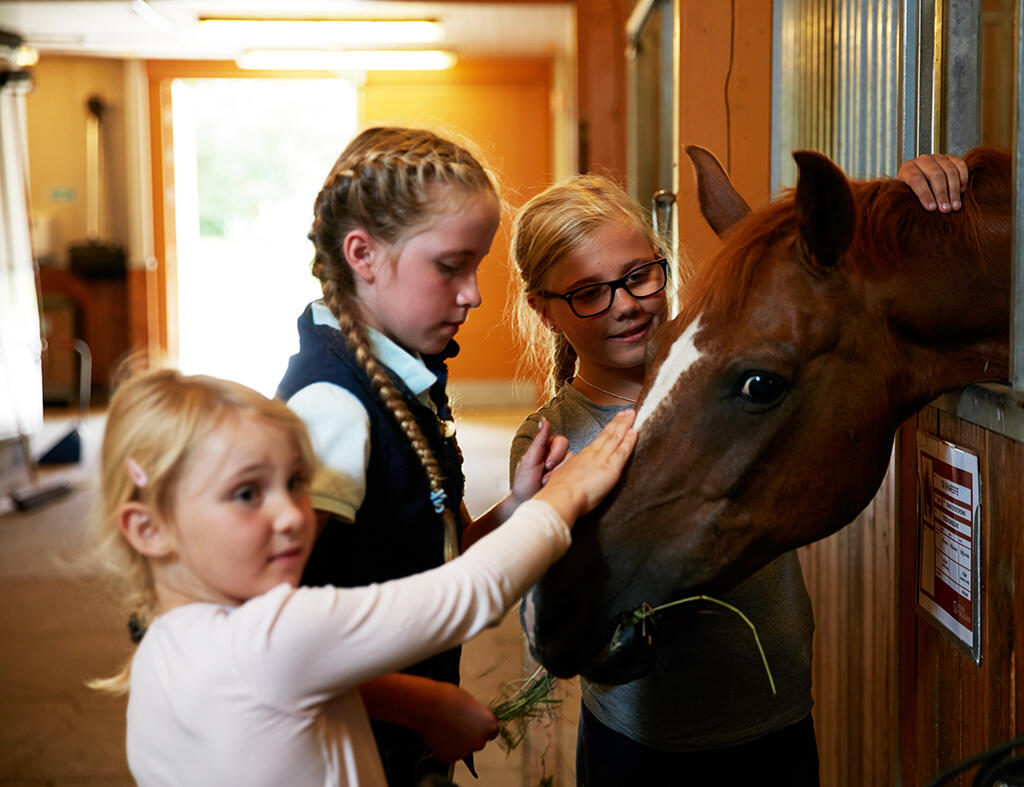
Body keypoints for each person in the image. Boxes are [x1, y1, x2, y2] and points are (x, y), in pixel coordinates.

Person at [507, 155, 969, 785]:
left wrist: (911, 196)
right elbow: (548, 600)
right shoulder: (549, 442)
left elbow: (826, 291)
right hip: (639, 743)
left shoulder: (726, 377)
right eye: (589, 292)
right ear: (544, 308)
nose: (625, 305)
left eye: (639, 275)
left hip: (773, 719)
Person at [88, 367, 637, 787]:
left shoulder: (167, 643)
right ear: (149, 528)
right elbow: (470, 591)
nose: (292, 514)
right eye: (248, 493)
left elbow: (290, 680)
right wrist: (569, 494)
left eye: (296, 483)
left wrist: (419, 704)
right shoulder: (274, 631)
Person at [273, 126, 567, 784]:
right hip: (349, 754)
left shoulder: (403, 375)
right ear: (363, 254)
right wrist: (425, 704)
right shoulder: (333, 410)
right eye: (449, 265)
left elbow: (431, 557)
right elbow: (259, 631)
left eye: (476, 266)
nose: (474, 294)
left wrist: (516, 504)